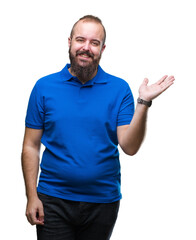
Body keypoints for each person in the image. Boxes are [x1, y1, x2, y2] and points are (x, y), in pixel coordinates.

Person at [21, 15, 175, 240]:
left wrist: (143, 103)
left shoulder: (119, 89)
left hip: (103, 202)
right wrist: (31, 196)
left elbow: (129, 147)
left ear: (103, 48)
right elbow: (30, 146)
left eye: (94, 43)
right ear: (69, 42)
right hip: (52, 199)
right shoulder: (44, 87)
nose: (86, 47)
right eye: (80, 40)